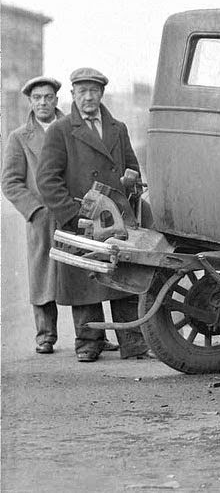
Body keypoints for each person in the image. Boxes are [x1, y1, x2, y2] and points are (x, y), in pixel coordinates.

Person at [36, 67, 149, 363]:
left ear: (101, 94)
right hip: (81, 220)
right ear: (73, 95)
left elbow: (132, 169)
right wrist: (72, 216)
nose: (88, 97)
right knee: (84, 282)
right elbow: (48, 180)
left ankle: (133, 342)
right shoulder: (61, 131)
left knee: (124, 276)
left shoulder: (118, 128)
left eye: (94, 91)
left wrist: (131, 181)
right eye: (82, 91)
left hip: (117, 219)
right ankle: (88, 343)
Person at [2, 76, 67, 353]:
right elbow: (10, 182)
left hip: (72, 212)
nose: (43, 102)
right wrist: (35, 210)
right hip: (41, 215)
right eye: (37, 98)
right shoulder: (19, 137)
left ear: (56, 100)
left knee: (81, 274)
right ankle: (45, 335)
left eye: (48, 97)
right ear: (31, 102)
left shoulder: (70, 130)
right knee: (42, 274)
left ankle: (91, 337)